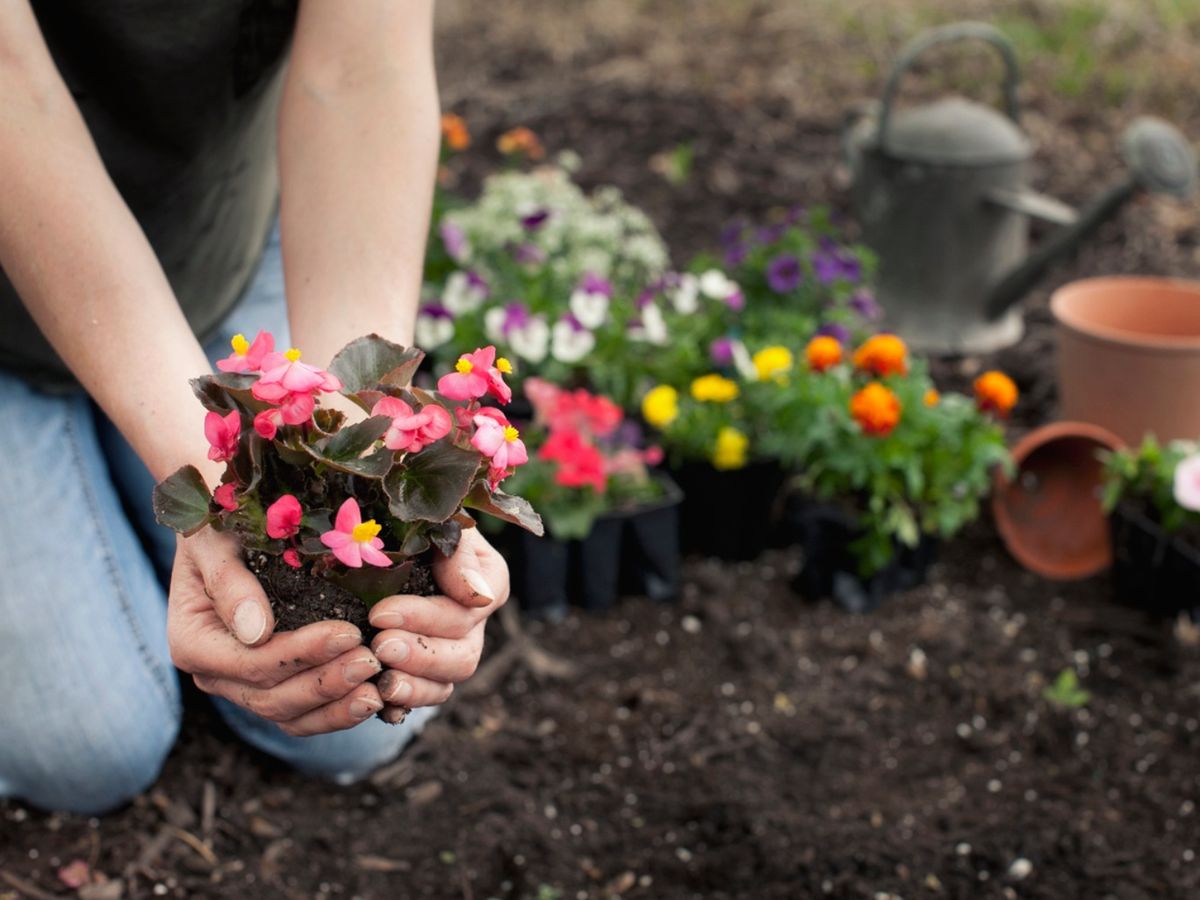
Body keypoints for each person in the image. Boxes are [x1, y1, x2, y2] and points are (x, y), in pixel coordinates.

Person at [0, 0, 510, 816]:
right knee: (91, 748)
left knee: (357, 700)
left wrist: (363, 441)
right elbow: (12, 92)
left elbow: (360, 72)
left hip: (208, 235)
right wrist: (208, 484)